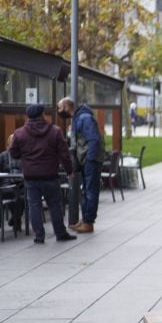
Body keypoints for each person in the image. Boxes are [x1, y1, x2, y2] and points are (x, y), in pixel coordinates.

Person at [10, 105, 77, 244]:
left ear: (27, 116)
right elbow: (64, 154)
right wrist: (69, 171)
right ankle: (60, 233)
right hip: (50, 175)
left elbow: (14, 153)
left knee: (34, 205)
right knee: (54, 205)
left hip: (30, 176)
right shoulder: (55, 131)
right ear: (43, 115)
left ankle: (39, 236)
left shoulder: (19, 133)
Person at [58, 97, 105, 234]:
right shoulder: (78, 118)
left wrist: (90, 159)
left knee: (90, 191)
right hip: (85, 160)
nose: (59, 111)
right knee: (86, 190)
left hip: (90, 160)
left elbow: (93, 140)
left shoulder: (84, 118)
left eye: (60, 108)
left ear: (67, 107)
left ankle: (88, 222)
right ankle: (85, 220)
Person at [0, 134, 24, 230]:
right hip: (7, 183)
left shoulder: (24, 156)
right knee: (11, 193)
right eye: (12, 142)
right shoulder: (3, 156)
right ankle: (16, 219)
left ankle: (15, 218)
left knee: (23, 197)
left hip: (21, 183)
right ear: (8, 144)